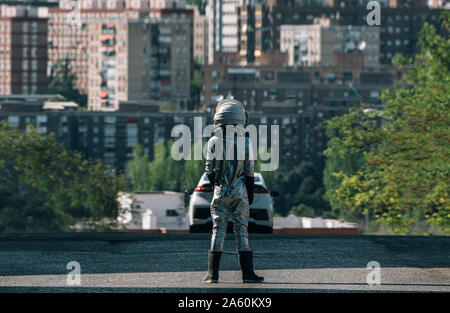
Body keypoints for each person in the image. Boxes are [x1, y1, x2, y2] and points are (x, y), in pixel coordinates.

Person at [202, 99, 264, 284]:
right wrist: (249, 195)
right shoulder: (246, 142)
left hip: (220, 192)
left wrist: (217, 187)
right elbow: (249, 172)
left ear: (218, 119)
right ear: (241, 119)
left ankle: (212, 275)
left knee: (217, 231)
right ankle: (247, 274)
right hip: (240, 192)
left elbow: (209, 170)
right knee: (242, 231)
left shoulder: (213, 141)